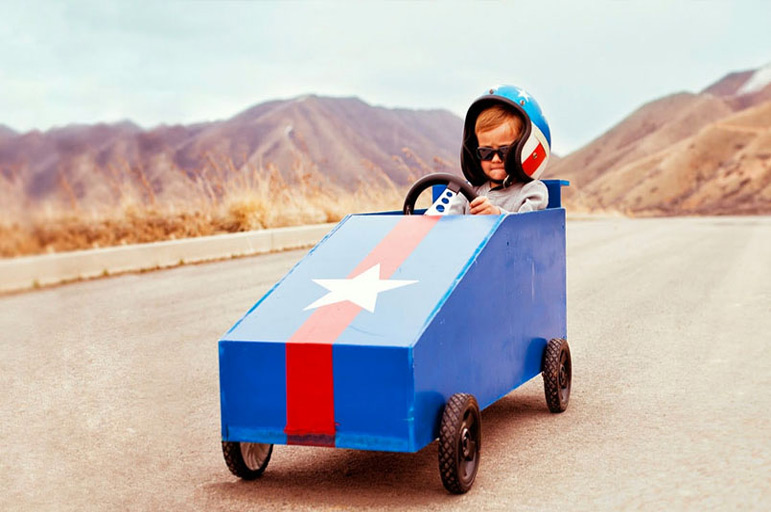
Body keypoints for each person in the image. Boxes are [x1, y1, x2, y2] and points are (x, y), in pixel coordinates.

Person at [447, 85, 551, 214]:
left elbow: (526, 225)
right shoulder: (468, 190)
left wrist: (496, 214)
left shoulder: (532, 191)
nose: (495, 159)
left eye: (504, 151)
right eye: (486, 152)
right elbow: (448, 223)